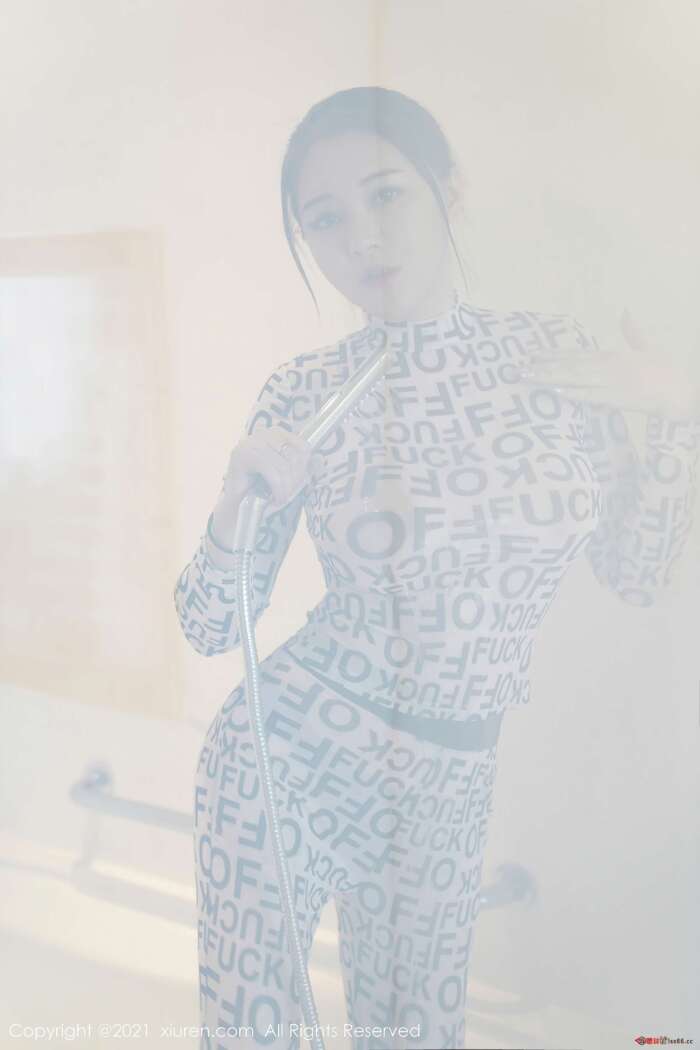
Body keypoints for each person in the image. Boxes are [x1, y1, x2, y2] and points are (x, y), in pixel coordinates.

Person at [174, 87, 699, 1050]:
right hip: (288, 753)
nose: (362, 239)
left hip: (452, 776)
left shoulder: (552, 358)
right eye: (325, 220)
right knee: (256, 1037)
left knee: (414, 1036)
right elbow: (210, 624)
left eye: (386, 195)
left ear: (448, 191)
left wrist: (673, 419)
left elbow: (637, 570)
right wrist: (230, 508)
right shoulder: (307, 391)